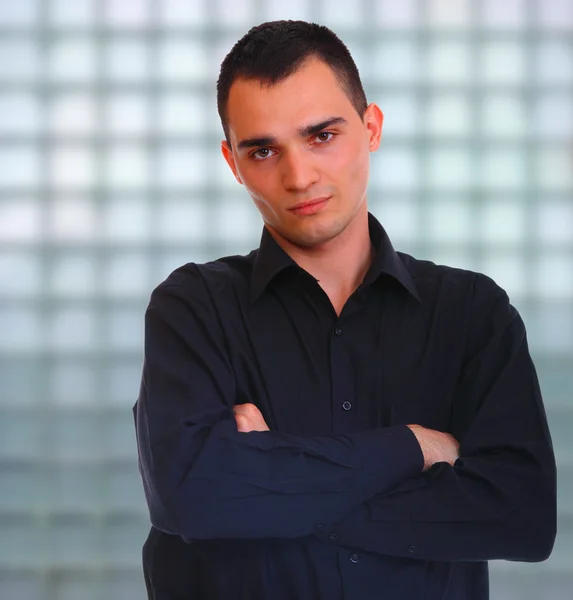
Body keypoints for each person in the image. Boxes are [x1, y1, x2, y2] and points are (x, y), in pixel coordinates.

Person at [133, 20, 556, 600]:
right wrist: (412, 448)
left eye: (322, 136)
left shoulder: (472, 315)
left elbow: (522, 517)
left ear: (371, 127)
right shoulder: (193, 308)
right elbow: (195, 497)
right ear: (233, 162)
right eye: (263, 150)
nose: (299, 175)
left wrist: (269, 493)